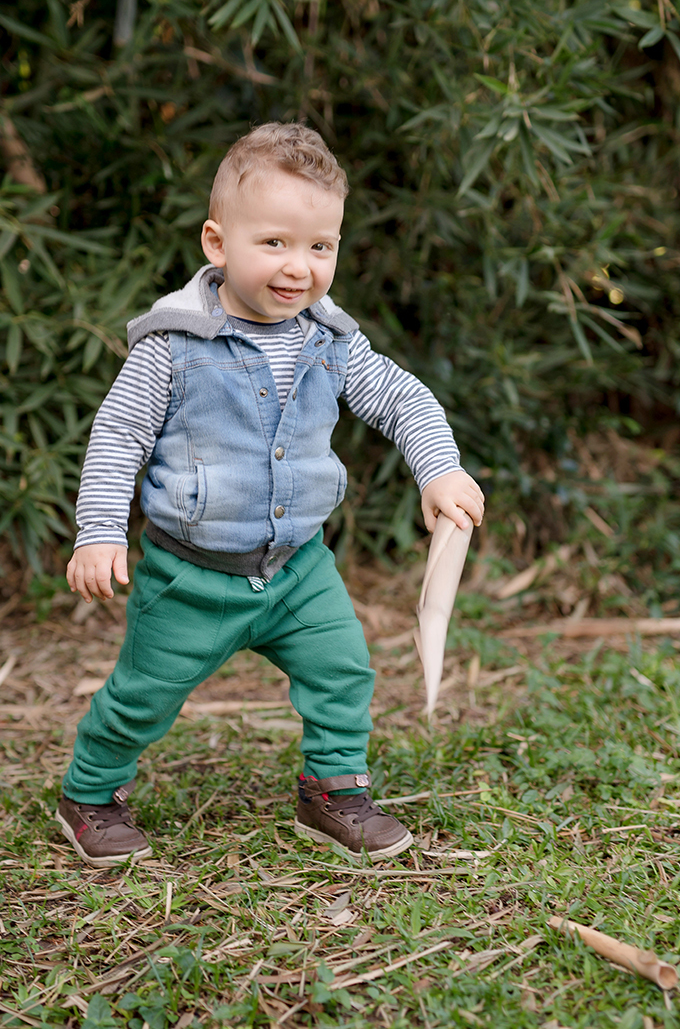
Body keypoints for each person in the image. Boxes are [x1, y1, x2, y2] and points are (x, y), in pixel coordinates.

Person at [56, 122, 484, 868]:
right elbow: (118, 435)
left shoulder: (331, 340)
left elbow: (402, 400)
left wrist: (439, 469)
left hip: (297, 568)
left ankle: (332, 789)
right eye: (276, 244)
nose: (300, 268)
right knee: (144, 696)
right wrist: (98, 531)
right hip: (189, 574)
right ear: (218, 245)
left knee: (343, 668)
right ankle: (90, 793)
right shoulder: (174, 346)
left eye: (321, 247)